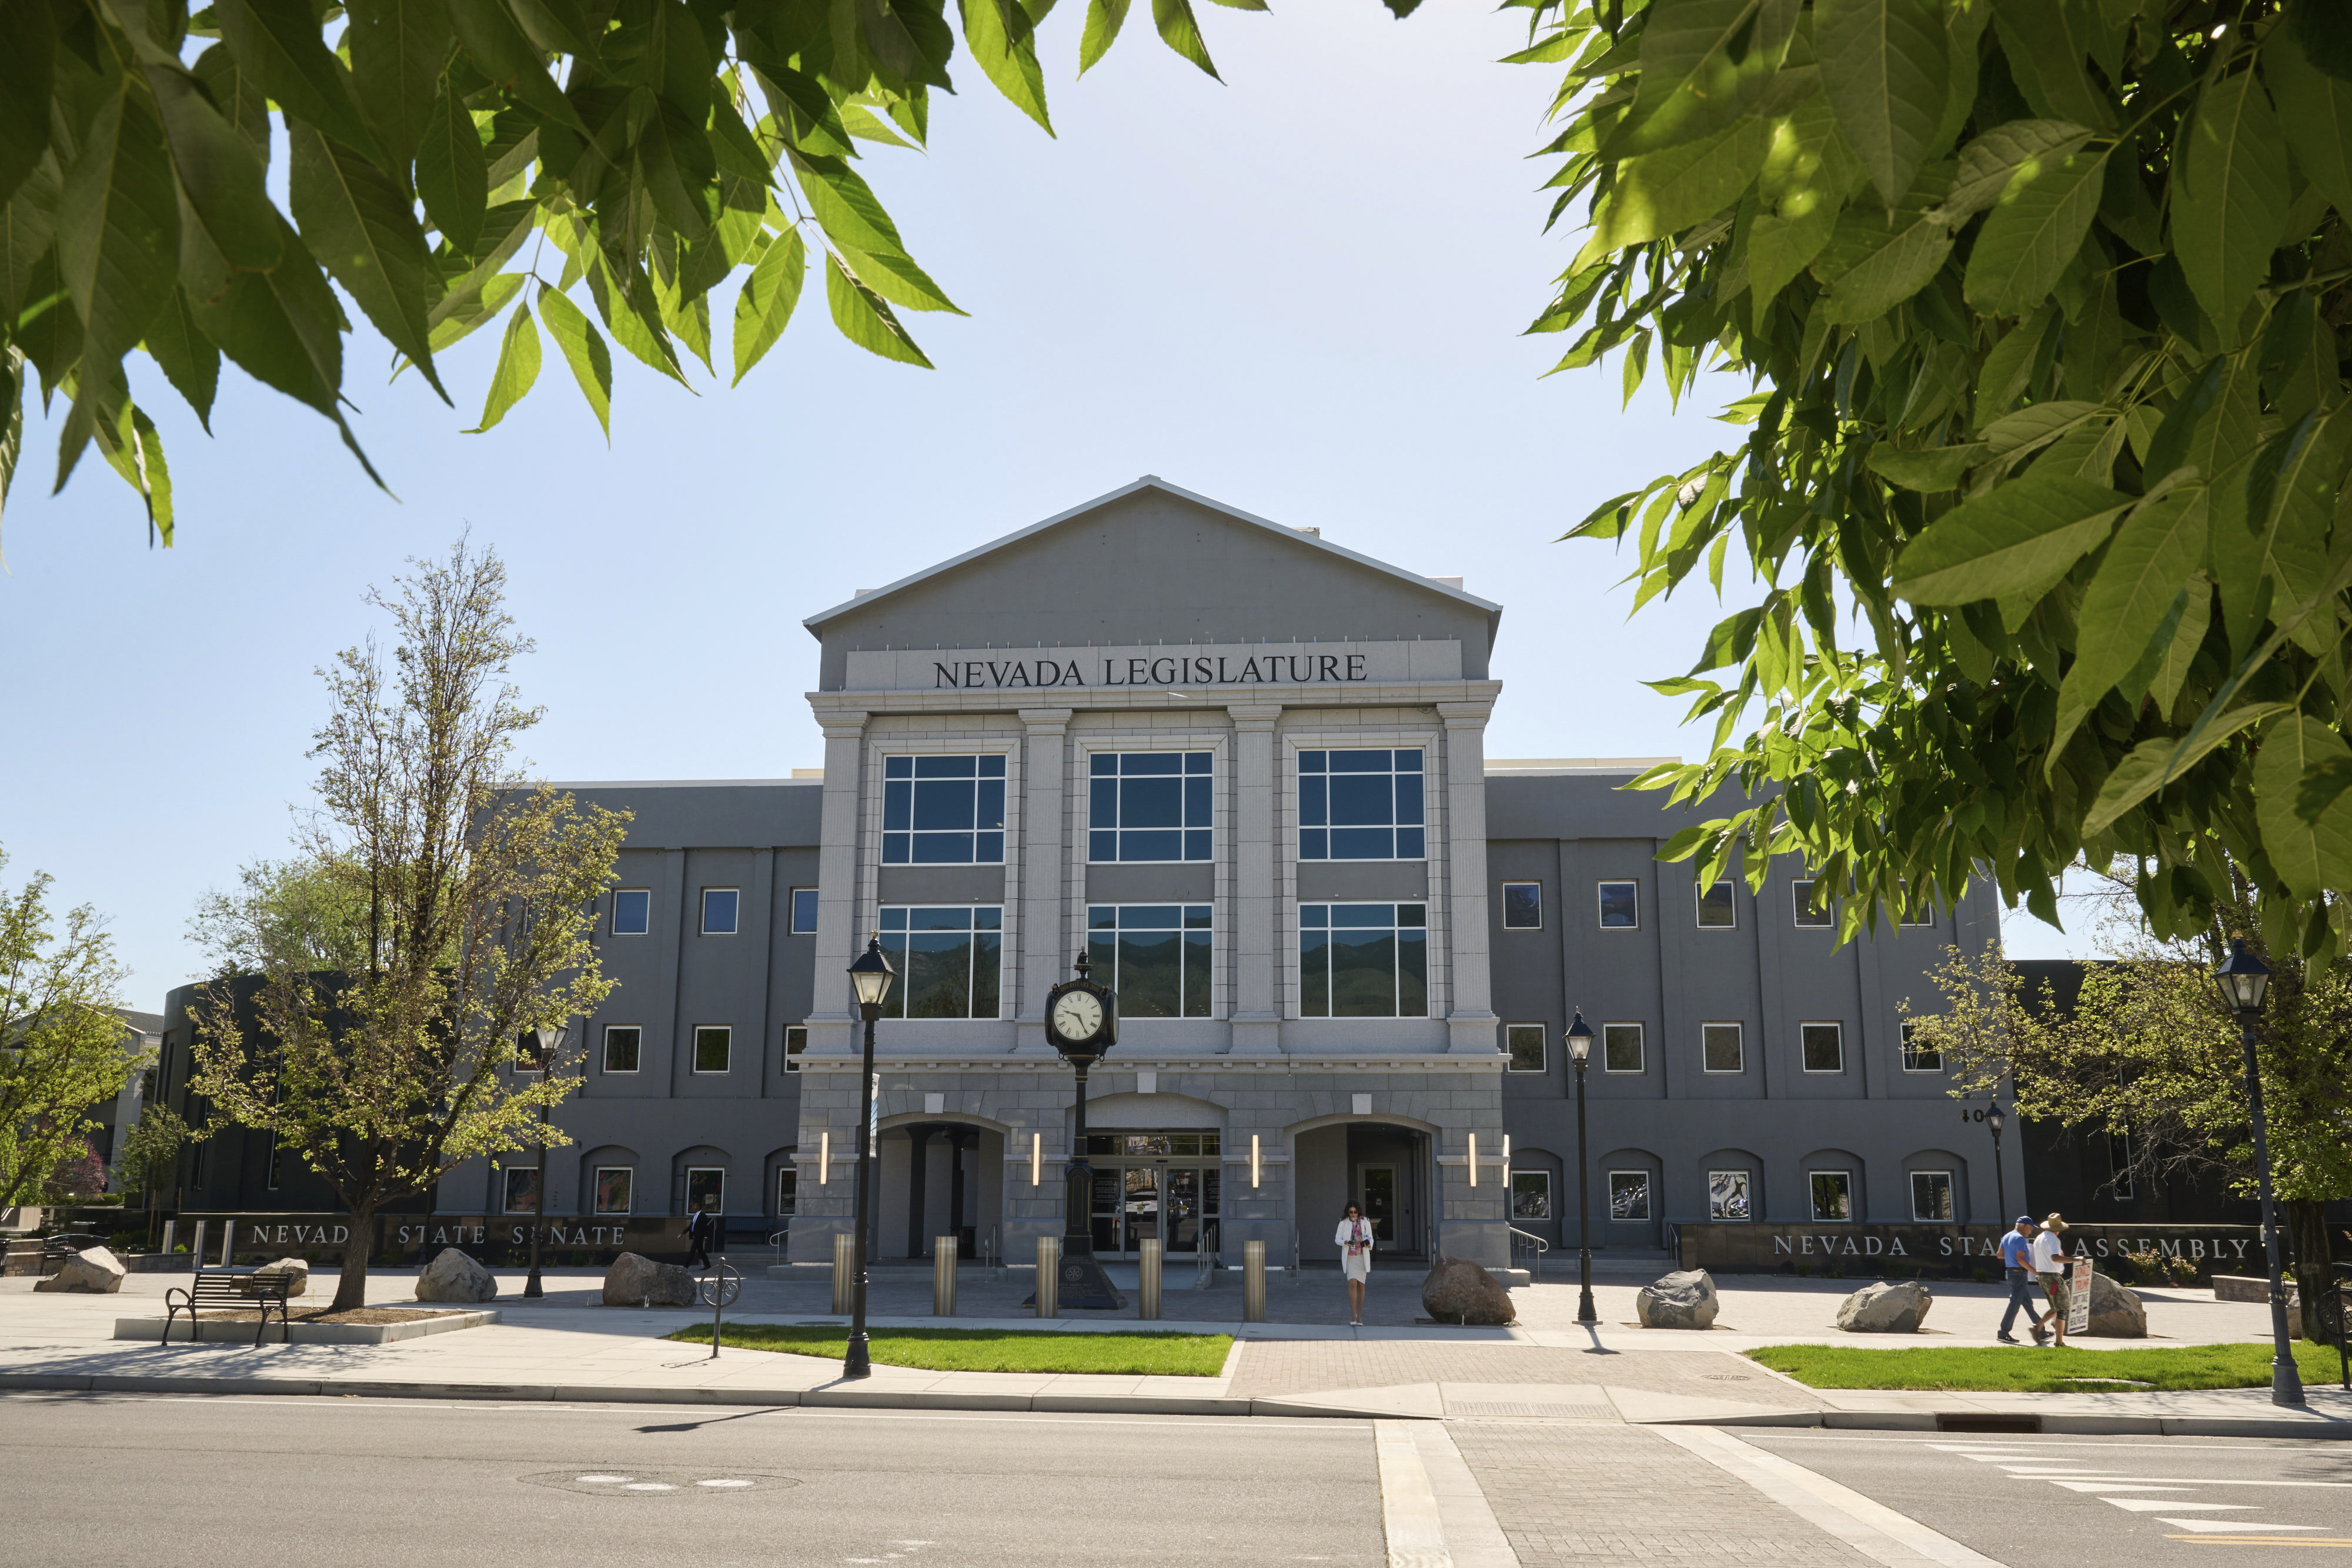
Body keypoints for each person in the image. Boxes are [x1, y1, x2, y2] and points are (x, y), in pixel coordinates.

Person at [1996, 1215, 2050, 1345]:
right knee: (2015, 1303)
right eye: (2030, 1229)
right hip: (2019, 1274)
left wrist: (2011, 1259)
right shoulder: (2020, 1239)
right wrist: (2036, 1272)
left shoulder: (2007, 1236)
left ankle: (2041, 1331)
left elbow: (2000, 1255)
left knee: (2027, 1303)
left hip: (2011, 1273)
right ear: (2025, 1226)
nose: (2031, 1232)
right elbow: (2020, 1259)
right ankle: (2003, 1333)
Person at [2034, 1212, 2073, 1348]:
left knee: (2058, 1307)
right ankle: (2039, 1328)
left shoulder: (2039, 1238)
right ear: (2058, 1229)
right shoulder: (2054, 1240)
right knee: (2060, 1307)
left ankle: (2059, 1341)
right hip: (2053, 1277)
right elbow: (2055, 1258)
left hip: (2043, 1276)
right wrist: (2075, 1259)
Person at [1335, 1203, 1374, 1326]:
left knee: (1361, 1285)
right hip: (1350, 1257)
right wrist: (1345, 1242)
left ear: (1359, 1212)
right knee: (1352, 1283)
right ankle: (1353, 1314)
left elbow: (1371, 1238)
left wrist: (1369, 1244)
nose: (1353, 1214)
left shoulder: (1365, 1221)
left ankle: (1360, 1316)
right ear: (1347, 1212)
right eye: (1351, 1212)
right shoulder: (1343, 1222)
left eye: (1355, 1212)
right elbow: (1337, 1239)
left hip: (1362, 1256)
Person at [686, 1199, 717, 1269]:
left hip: (699, 1236)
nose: (693, 1207)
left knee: (692, 1251)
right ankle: (707, 1264)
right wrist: (684, 1232)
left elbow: (704, 1227)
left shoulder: (703, 1216)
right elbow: (691, 1225)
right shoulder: (695, 1215)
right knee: (701, 1251)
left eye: (695, 1206)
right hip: (695, 1235)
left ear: (698, 1207)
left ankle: (686, 1266)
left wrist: (706, 1237)